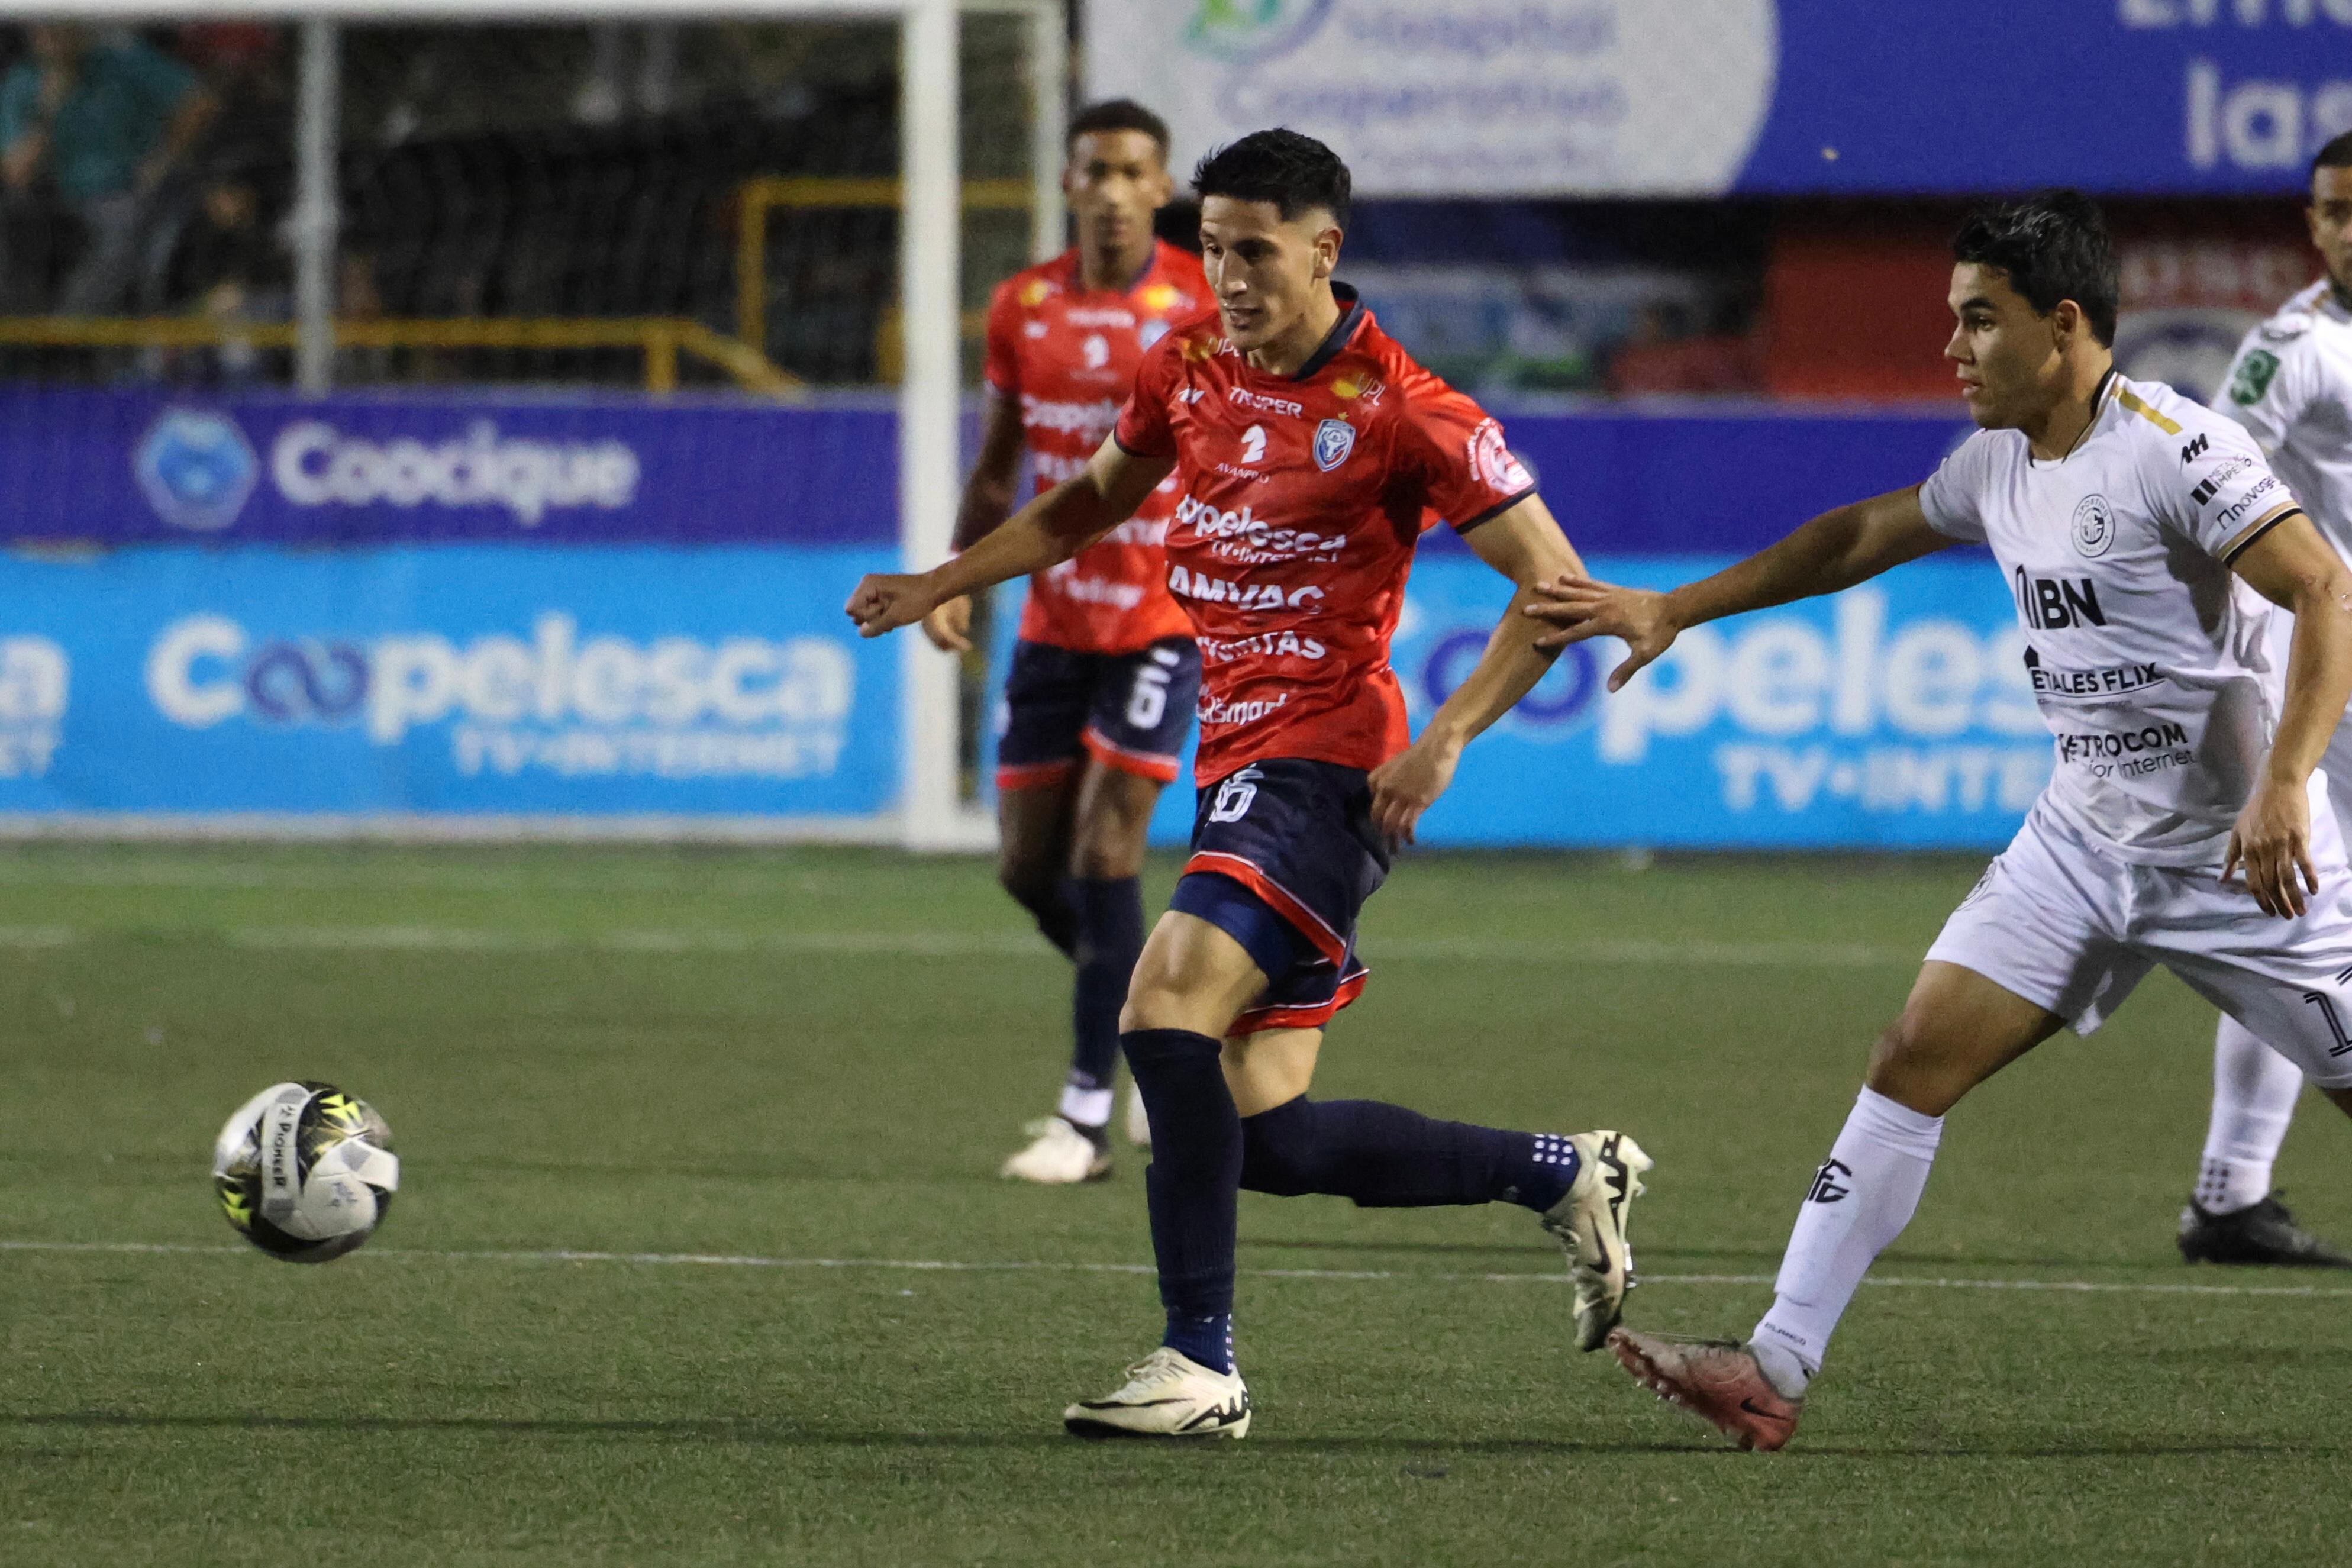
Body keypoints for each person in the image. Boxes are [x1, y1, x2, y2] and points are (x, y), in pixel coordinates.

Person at [850, 128, 1649, 1440]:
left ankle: (1198, 1361)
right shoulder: (1190, 369)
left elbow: (1555, 584)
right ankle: (1561, 1170)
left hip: (1324, 770)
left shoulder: (1406, 405)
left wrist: (1444, 735)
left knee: (1158, 1005)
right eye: (1211, 245)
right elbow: (1079, 508)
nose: (1223, 274)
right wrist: (942, 581)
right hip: (1240, 769)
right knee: (1263, 1135)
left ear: (1324, 250)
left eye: (1252, 250)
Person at [1530, 189, 2352, 1453]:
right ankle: (1773, 1361)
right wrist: (1674, 608)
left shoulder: (2174, 447)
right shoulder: (1994, 462)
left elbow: (2319, 584)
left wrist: (2285, 780)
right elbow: (1856, 532)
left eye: (1978, 320)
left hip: (2231, 861)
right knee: (1911, 1055)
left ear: (2062, 322)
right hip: (2078, 845)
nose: (1951, 347)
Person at [923, 100, 1209, 1185]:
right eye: (1094, 169)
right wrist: (954, 581)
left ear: (1161, 184)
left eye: (1133, 170)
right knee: (1024, 868)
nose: (1111, 188)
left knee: (1106, 853)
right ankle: (1170, 1031)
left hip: (1160, 618)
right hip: (1052, 617)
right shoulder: (1024, 305)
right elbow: (1001, 465)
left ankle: (1084, 1119)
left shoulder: (1199, 301)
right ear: (1069, 182)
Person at [2177, 130, 2352, 1269]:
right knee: (2298, 927)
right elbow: (2216, 493)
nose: (2344, 231)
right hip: (2329, 674)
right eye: (2331, 212)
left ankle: (2232, 1196)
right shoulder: (2290, 350)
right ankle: (2230, 1193)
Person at [0, 25, 215, 314]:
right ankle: (26, 337)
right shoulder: (22, 82)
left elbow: (199, 101)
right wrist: (49, 107)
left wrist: (163, 158)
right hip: (50, 204)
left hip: (122, 191)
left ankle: (69, 335)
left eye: (58, 25)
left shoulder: (123, 60)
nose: (49, 35)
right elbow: (17, 173)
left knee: (123, 228)